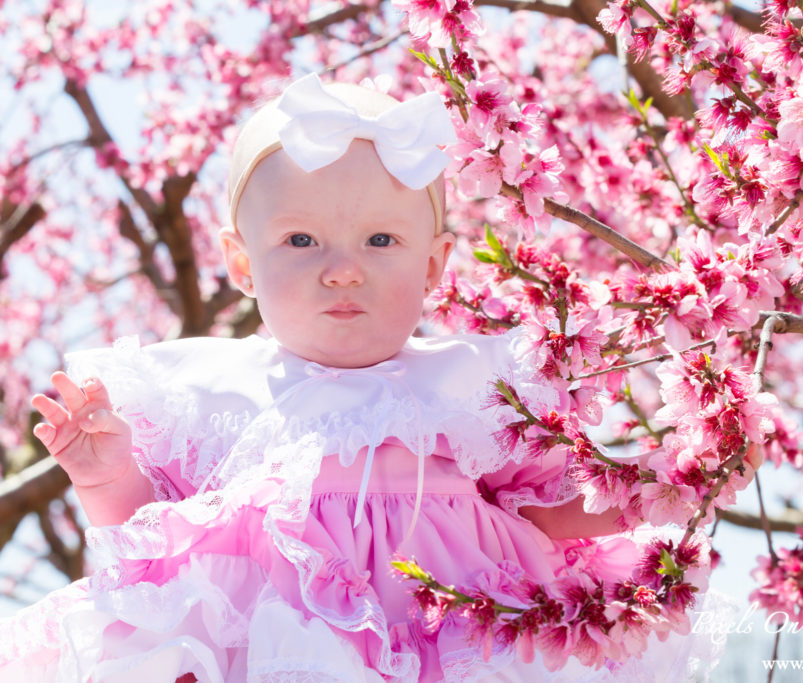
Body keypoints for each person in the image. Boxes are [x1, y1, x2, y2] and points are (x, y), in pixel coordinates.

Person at [0, 74, 720, 682]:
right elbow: (158, 566)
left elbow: (550, 515)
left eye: (381, 239)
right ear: (243, 263)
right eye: (300, 239)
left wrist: (665, 482)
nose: (342, 266)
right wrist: (103, 478)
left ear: (434, 266)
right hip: (284, 650)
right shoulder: (214, 391)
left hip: (461, 639)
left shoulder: (470, 385)